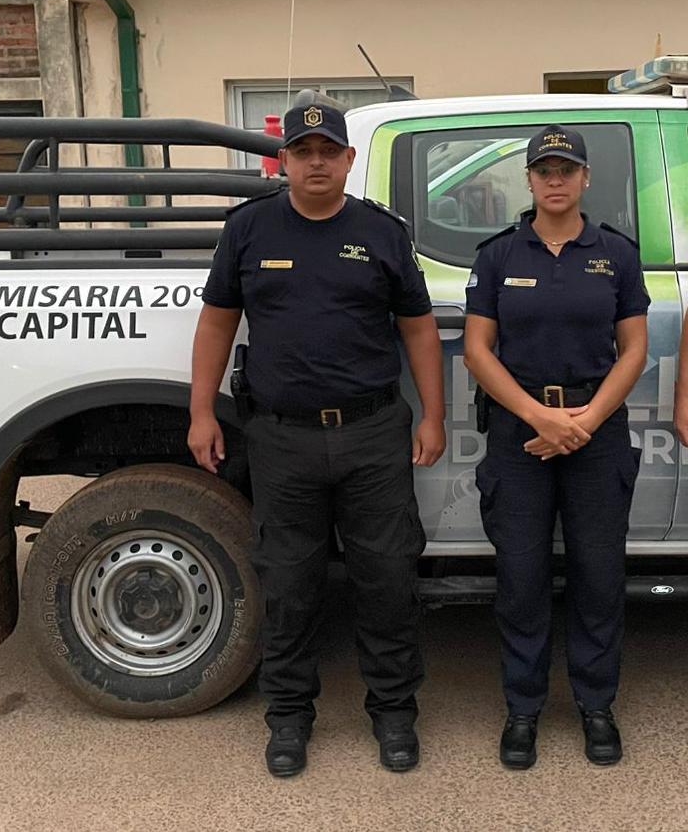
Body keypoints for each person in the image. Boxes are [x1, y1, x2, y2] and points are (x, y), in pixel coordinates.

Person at [188, 101, 446, 778]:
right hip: (282, 438)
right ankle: (288, 717)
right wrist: (201, 411)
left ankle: (394, 713)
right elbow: (217, 322)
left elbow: (418, 328)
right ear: (285, 160)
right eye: (303, 151)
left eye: (329, 150)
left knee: (387, 579)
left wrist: (434, 416)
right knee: (289, 584)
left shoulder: (382, 232)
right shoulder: (249, 229)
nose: (317, 162)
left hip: (372, 434)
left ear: (349, 159)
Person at [464, 125, 649, 770]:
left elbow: (634, 350)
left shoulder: (616, 254)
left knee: (599, 576)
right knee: (521, 578)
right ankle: (524, 710)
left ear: (585, 178)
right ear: (530, 179)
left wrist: (585, 421)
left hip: (596, 430)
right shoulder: (498, 255)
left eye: (567, 169)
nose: (556, 179)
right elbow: (477, 350)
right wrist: (539, 416)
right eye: (544, 169)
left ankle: (597, 705)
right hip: (521, 432)